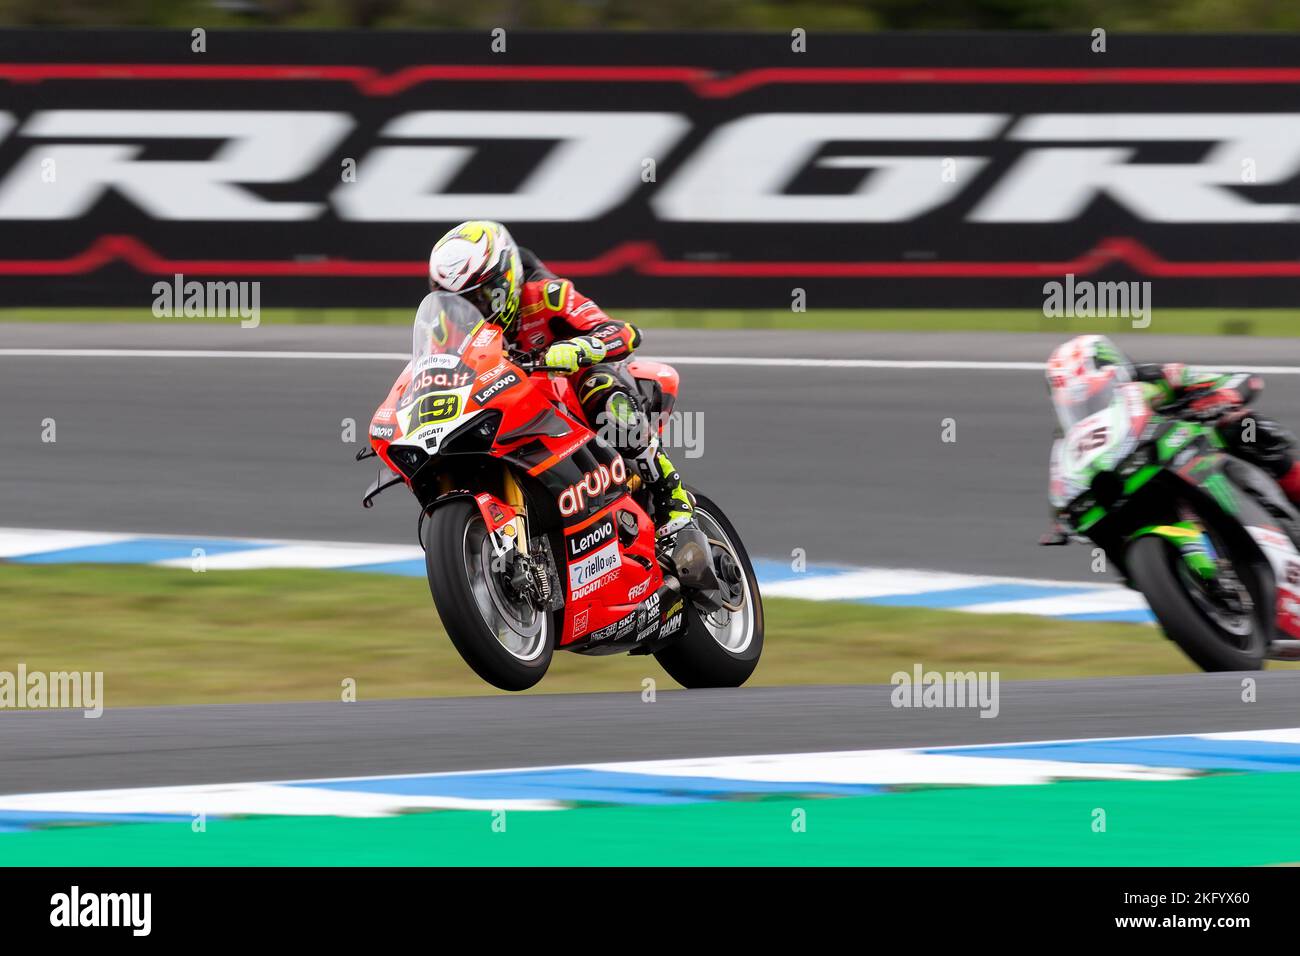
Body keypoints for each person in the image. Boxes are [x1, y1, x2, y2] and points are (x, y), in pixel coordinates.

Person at [426, 219, 695, 538]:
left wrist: (579, 347)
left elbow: (624, 332)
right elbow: (436, 373)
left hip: (570, 390)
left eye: (480, 297)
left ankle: (672, 497)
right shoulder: (445, 329)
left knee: (602, 390)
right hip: (510, 409)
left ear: (506, 279)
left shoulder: (547, 294)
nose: (471, 311)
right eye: (457, 303)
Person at [1040, 334, 1300, 543]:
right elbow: (1063, 485)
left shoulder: (1157, 377)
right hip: (1135, 476)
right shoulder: (1067, 441)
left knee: (1245, 425)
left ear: (1116, 369)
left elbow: (1241, 380)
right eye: (1075, 406)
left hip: (1192, 446)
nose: (1087, 410)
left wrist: (1221, 398)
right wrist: (1062, 516)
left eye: (1093, 398)